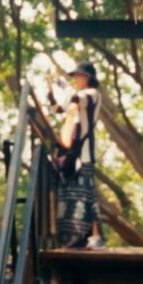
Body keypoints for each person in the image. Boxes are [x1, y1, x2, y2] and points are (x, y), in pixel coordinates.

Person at [48, 62, 104, 250]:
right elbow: (57, 109)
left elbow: (75, 99)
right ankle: (77, 238)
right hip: (75, 153)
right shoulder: (79, 95)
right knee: (73, 195)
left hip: (85, 153)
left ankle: (95, 237)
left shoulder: (92, 94)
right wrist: (52, 88)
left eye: (79, 76)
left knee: (87, 193)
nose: (76, 79)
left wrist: (61, 83)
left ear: (87, 78)